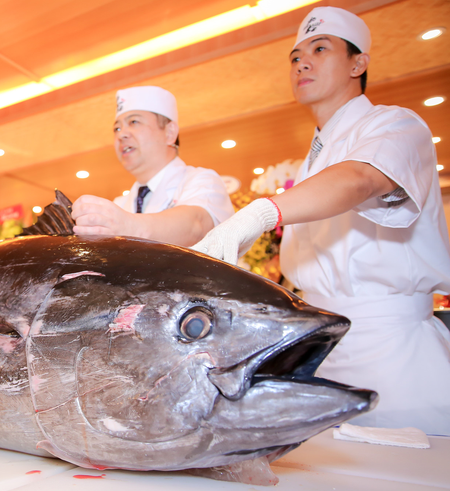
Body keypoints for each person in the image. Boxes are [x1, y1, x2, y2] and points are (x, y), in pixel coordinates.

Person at [193, 7, 450, 434]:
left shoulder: (395, 124)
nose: (302, 63)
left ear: (358, 62)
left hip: (391, 354)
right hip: (322, 349)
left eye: (319, 48)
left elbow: (360, 178)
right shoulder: (316, 157)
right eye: (294, 57)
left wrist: (261, 212)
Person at [72, 86, 234, 246]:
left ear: (169, 133)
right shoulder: (120, 204)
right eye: (117, 128)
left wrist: (129, 227)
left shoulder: (202, 181)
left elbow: (196, 226)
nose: (121, 134)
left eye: (134, 122)